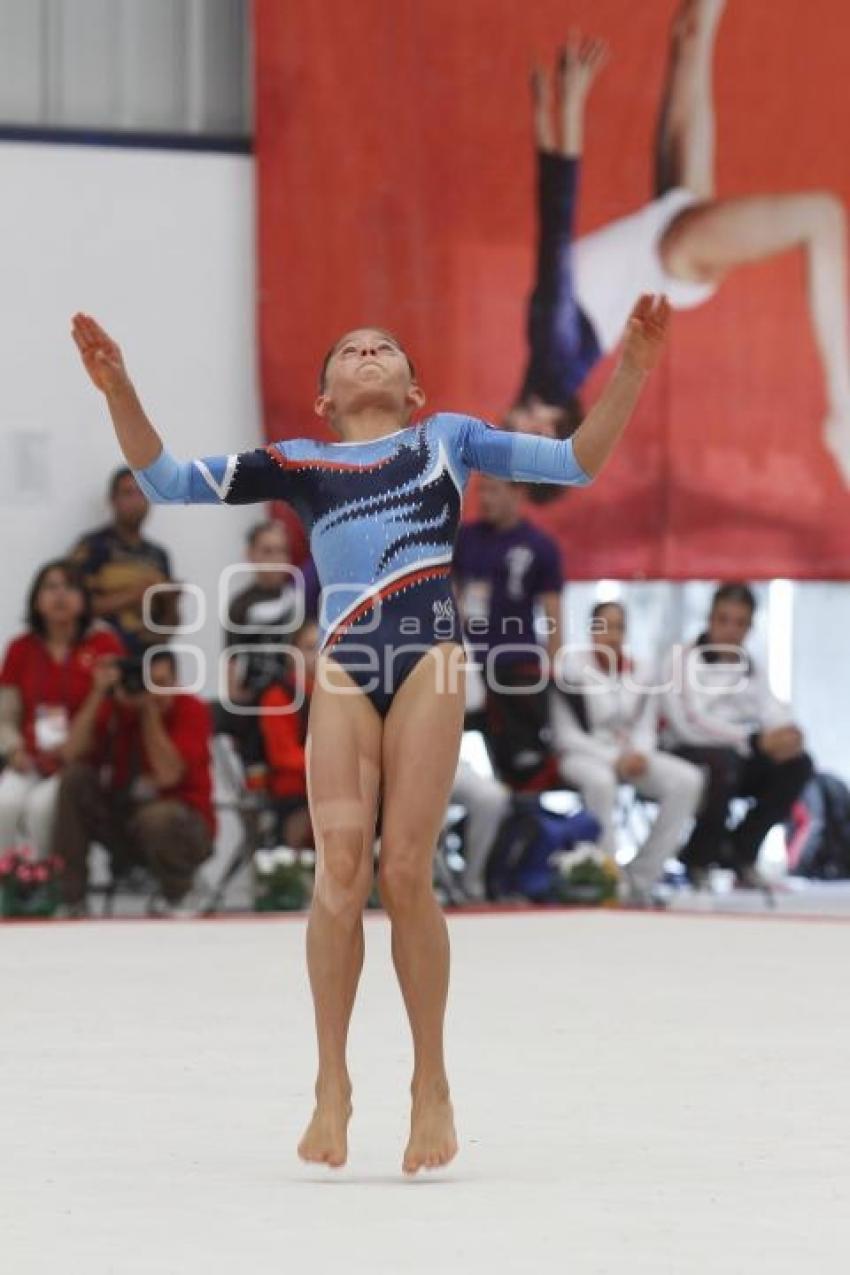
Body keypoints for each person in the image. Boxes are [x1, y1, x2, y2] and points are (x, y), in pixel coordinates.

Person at [71, 294, 669, 1173]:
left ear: (413, 387)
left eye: (384, 346)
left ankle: (432, 1081)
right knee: (340, 872)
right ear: (324, 399)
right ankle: (331, 1079)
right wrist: (119, 388)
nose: (367, 353)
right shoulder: (300, 461)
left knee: (403, 870)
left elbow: (576, 462)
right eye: (349, 350)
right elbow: (164, 479)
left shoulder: (449, 441)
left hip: (431, 658)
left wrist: (634, 369)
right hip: (347, 664)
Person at [510, 3, 850, 495]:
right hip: (674, 252)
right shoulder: (554, 362)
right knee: (821, 218)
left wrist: (548, 115)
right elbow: (557, 224)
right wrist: (570, 107)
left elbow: (550, 231)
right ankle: (844, 414)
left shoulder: (544, 359)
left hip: (665, 221)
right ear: (544, 434)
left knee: (690, 29)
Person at [550, 600, 703, 906]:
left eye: (619, 627)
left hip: (630, 755)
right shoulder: (570, 670)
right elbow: (565, 735)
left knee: (688, 780)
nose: (613, 635)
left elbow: (646, 725)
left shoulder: (641, 671)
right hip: (583, 754)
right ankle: (609, 878)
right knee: (602, 782)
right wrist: (613, 759)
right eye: (605, 627)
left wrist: (641, 753)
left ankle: (642, 876)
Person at [660, 582, 813, 887]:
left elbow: (772, 710)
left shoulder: (751, 666)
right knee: (723, 763)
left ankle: (741, 853)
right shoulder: (682, 659)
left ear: (750, 626)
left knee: (798, 765)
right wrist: (753, 740)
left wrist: (788, 734)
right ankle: (699, 859)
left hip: (740, 752)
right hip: (689, 750)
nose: (731, 630)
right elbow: (690, 723)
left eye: (740, 623)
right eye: (724, 620)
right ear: (710, 619)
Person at [52, 648, 216, 917]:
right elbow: (69, 754)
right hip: (123, 822)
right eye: (146, 682)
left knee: (157, 817)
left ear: (176, 681)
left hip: (183, 828)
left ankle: (180, 893)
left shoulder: (191, 709)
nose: (151, 691)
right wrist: (98, 693)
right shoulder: (117, 708)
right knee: (74, 779)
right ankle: (71, 899)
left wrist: (148, 713)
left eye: (160, 684)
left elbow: (168, 775)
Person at [0, 560, 123, 856]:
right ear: (36, 600)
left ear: (83, 599)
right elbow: (5, 715)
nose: (60, 595)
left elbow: (111, 716)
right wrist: (13, 750)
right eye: (51, 587)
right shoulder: (21, 647)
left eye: (69, 587)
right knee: (6, 803)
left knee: (41, 809)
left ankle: (48, 887)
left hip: (81, 765)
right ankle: (8, 890)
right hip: (29, 758)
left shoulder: (103, 644)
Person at [454, 475, 563, 784]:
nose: (485, 499)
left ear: (518, 492)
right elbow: (452, 597)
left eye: (494, 491)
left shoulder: (540, 546)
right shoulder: (466, 538)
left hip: (516, 664)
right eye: (481, 491)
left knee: (522, 760)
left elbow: (553, 610)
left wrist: (553, 666)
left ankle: (523, 813)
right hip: (469, 663)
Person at [70, 466, 179, 653]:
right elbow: (75, 607)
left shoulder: (158, 554)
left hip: (150, 658)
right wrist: (136, 594)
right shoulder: (93, 547)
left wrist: (170, 600)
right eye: (128, 493)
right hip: (103, 658)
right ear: (112, 500)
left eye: (142, 493)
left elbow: (169, 626)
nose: (136, 501)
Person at [257, 618, 319, 850]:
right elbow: (283, 756)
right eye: (310, 647)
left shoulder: (343, 694)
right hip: (296, 791)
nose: (320, 654)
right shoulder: (278, 696)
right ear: (292, 654)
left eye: (326, 645)